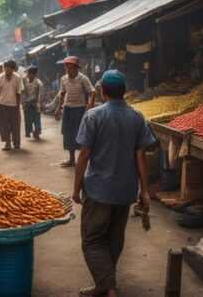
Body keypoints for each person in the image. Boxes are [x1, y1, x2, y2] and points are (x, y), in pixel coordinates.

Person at [72, 70, 154, 297]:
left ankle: (109, 289)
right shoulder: (137, 116)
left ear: (101, 91)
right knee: (114, 238)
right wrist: (144, 190)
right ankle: (104, 285)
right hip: (125, 191)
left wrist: (76, 187)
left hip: (99, 190)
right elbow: (141, 156)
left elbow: (84, 154)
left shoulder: (93, 116)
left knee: (92, 240)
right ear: (124, 91)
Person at [55, 56, 96, 167]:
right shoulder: (63, 79)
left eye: (71, 68)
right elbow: (62, 93)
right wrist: (59, 107)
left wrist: (90, 105)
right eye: (67, 68)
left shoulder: (83, 78)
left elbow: (92, 91)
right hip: (68, 108)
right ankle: (72, 159)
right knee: (68, 134)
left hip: (80, 109)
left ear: (76, 68)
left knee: (81, 134)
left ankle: (84, 159)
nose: (69, 70)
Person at [0, 60, 24, 151]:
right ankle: (7, 143)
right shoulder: (0, 77)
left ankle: (16, 143)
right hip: (2, 104)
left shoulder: (18, 78)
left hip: (14, 105)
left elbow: (18, 93)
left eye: (8, 69)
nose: (6, 70)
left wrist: (18, 107)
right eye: (5, 68)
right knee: (4, 125)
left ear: (13, 69)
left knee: (15, 124)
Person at [22, 66, 44, 140]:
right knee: (27, 119)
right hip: (27, 104)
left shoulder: (38, 83)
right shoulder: (25, 81)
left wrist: (39, 104)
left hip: (35, 104)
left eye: (28, 73)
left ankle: (37, 132)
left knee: (36, 119)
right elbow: (23, 92)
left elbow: (41, 94)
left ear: (32, 74)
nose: (27, 75)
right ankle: (29, 132)